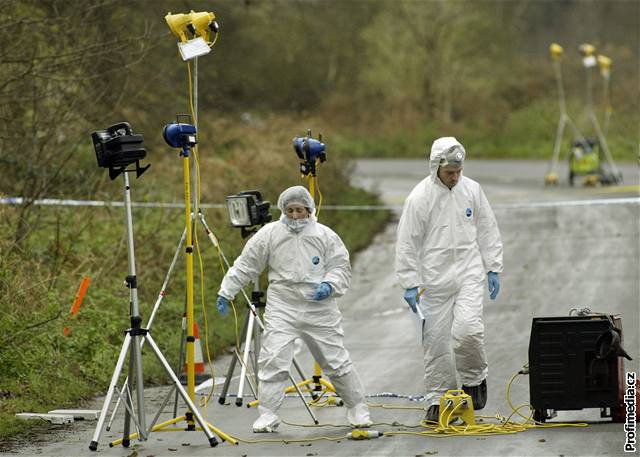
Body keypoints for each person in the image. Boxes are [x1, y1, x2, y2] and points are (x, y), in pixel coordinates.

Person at [216, 185, 372, 433]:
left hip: (319, 306)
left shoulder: (325, 236)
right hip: (283, 304)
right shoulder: (270, 234)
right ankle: (267, 413)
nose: (295, 215)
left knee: (335, 360)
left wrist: (329, 285)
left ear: (309, 210)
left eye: (300, 210)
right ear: (283, 210)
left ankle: (357, 407)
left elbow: (340, 267)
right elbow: (247, 264)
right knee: (274, 358)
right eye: (290, 210)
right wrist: (227, 290)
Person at [394, 137, 503, 422]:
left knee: (467, 332)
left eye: (458, 171)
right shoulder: (420, 197)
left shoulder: (472, 190)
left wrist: (492, 267)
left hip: (468, 273)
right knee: (437, 342)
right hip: (434, 280)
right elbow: (407, 242)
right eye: (449, 172)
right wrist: (409, 282)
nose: (454, 177)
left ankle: (474, 380)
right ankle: (440, 399)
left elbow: (487, 228)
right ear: (436, 169)